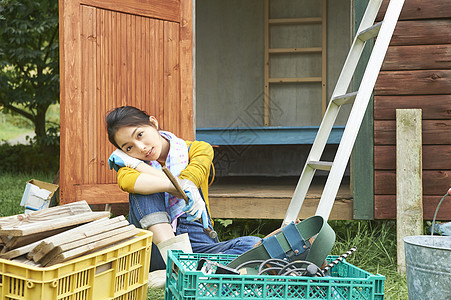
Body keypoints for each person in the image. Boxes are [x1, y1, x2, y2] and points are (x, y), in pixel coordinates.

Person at [106, 106, 260, 288]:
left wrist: (138, 164)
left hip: (197, 243)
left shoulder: (197, 149)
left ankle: (181, 273)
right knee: (143, 188)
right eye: (129, 148)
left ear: (153, 123)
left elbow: (191, 179)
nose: (141, 147)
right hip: (156, 248)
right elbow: (129, 182)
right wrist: (139, 167)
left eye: (139, 134)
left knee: (253, 245)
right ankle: (182, 267)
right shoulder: (129, 167)